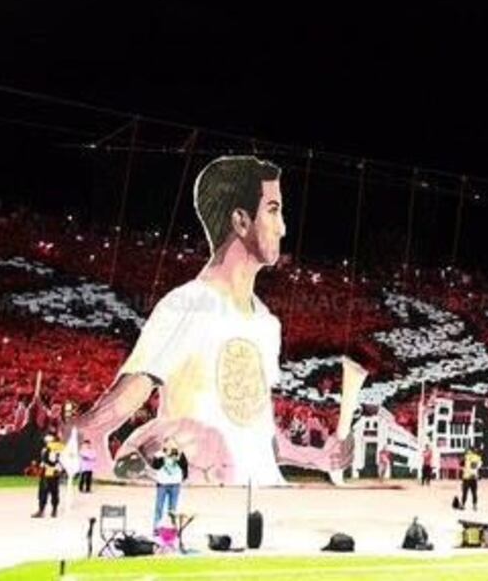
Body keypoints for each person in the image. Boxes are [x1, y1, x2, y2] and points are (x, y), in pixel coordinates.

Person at [69, 157, 353, 485]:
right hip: (205, 497)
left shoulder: (267, 323)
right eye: (273, 211)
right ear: (241, 220)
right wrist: (90, 436)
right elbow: (125, 398)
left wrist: (316, 457)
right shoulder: (189, 304)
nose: (283, 228)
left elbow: (260, 433)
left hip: (265, 494)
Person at [151, 439, 188, 528]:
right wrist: (161, 457)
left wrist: (178, 459)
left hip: (175, 484)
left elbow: (185, 466)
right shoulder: (159, 454)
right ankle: (156, 527)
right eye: (167, 444)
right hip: (162, 484)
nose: (170, 446)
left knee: (172, 509)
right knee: (159, 507)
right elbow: (155, 466)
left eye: (172, 444)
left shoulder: (180, 454)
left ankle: (172, 528)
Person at [32, 433, 64, 518]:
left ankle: (53, 510)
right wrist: (39, 463)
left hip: (52, 471)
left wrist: (47, 463)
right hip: (46, 471)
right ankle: (42, 510)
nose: (46, 442)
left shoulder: (56, 448)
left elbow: (53, 461)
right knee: (44, 491)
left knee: (52, 491)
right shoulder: (45, 449)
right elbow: (43, 459)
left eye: (48, 440)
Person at [460, 445, 482, 510]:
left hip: (466, 477)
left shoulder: (466, 457)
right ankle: (475, 505)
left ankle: (463, 505)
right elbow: (479, 466)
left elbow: (461, 464)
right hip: (474, 477)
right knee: (474, 492)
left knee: (465, 492)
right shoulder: (478, 458)